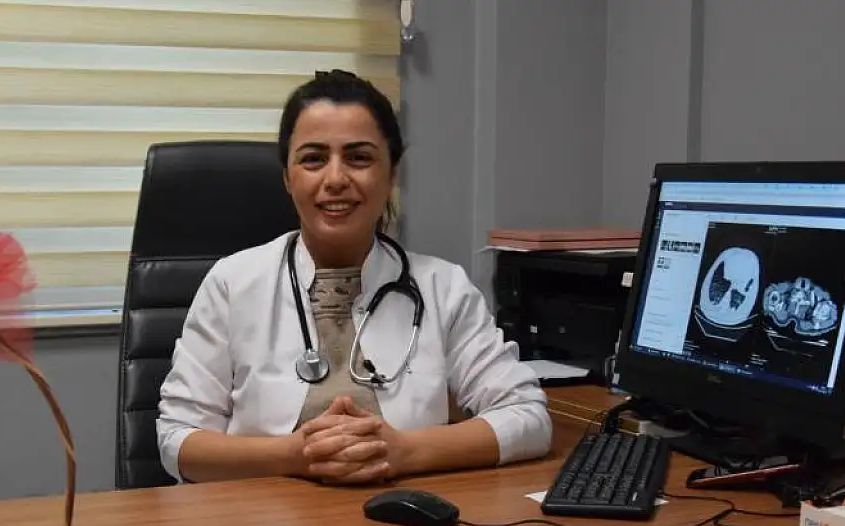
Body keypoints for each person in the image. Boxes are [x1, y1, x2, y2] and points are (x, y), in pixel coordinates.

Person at [156, 70, 551, 484]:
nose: (335, 179)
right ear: (287, 177)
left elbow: (528, 416)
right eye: (313, 159)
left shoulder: (443, 288)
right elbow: (177, 440)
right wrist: (293, 456)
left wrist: (405, 452)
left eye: (359, 158)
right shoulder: (232, 284)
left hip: (402, 516)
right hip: (262, 519)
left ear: (392, 174)